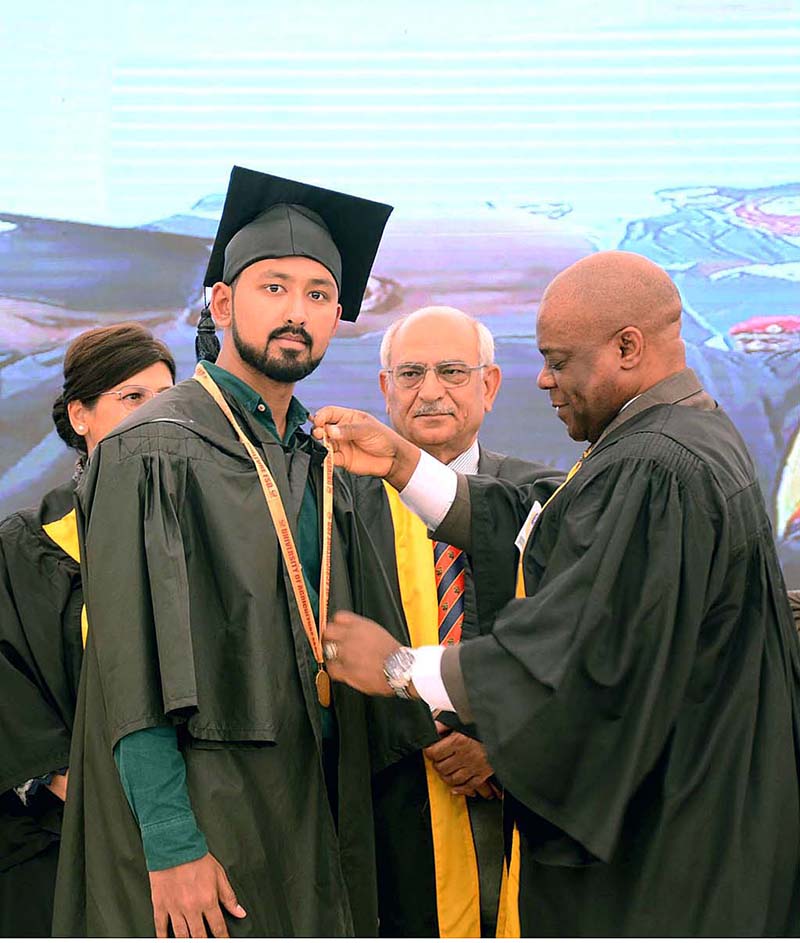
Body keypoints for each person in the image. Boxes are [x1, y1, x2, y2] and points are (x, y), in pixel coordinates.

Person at [313, 250, 800, 936]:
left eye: (559, 359)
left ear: (627, 347)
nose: (543, 379)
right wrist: (403, 464)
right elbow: (546, 522)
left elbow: (577, 654)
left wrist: (401, 668)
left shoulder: (657, 467)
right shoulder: (680, 436)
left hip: (670, 857)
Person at [52, 166, 434, 938]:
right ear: (223, 303)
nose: (298, 312)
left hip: (319, 809)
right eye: (274, 287)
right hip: (208, 815)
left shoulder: (325, 460)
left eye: (320, 295)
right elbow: (129, 664)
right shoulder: (149, 448)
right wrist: (170, 843)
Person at [353, 305, 560, 937]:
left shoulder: (544, 500)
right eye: (411, 373)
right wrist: (426, 733)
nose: (431, 390)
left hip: (518, 794)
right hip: (383, 790)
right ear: (386, 389)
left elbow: (570, 647)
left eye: (452, 371)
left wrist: (502, 745)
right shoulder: (336, 505)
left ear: (489, 386)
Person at [0, 323, 175, 937]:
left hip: (199, 828)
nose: (158, 417)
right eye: (134, 398)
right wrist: (68, 778)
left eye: (168, 399)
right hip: (63, 830)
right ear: (81, 415)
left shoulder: (211, 533)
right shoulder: (27, 545)